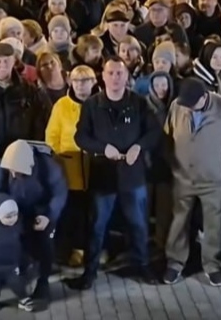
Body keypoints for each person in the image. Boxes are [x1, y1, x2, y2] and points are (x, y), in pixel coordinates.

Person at [69, 56, 161, 289]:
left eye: (120, 73)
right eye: (110, 73)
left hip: (133, 175)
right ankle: (89, 273)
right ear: (103, 76)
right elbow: (81, 137)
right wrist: (102, 148)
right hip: (103, 177)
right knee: (97, 225)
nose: (115, 78)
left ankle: (142, 266)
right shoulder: (92, 105)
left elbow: (154, 132)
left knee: (138, 224)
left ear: (127, 76)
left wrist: (138, 147)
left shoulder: (139, 103)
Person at [161, 78, 221, 287]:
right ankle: (175, 262)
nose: (188, 106)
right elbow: (167, 135)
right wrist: (172, 163)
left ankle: (212, 265)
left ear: (204, 96)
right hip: (183, 178)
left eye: (192, 103)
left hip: (213, 179)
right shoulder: (177, 106)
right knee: (179, 221)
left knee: (213, 224)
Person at [0, 139, 68, 301]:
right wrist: (4, 212)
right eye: (10, 171)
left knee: (45, 246)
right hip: (16, 212)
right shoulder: (3, 167)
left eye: (17, 171)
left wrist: (49, 216)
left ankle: (43, 282)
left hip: (42, 212)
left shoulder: (49, 168)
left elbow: (60, 193)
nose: (13, 174)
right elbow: (0, 192)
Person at [45, 65, 96, 266]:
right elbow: (52, 137)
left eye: (85, 80)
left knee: (95, 214)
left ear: (94, 82)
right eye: (76, 81)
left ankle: (95, 249)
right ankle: (75, 250)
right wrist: (57, 163)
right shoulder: (61, 105)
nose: (80, 85)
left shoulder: (100, 103)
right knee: (73, 214)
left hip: (95, 169)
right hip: (70, 171)